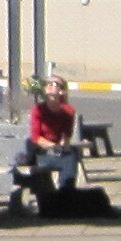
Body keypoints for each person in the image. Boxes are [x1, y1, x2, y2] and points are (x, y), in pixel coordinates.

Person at [22, 75, 82, 205]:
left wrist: (62, 146)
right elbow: (35, 137)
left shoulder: (68, 111)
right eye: (47, 84)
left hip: (56, 148)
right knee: (34, 152)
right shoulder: (38, 110)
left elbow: (67, 135)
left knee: (71, 156)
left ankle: (66, 195)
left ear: (62, 91)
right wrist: (53, 146)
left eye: (54, 84)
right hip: (40, 149)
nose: (49, 86)